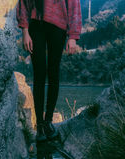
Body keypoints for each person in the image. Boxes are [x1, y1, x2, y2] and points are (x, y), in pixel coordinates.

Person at [16, 0, 82, 143]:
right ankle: (39, 125)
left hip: (58, 26)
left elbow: (74, 5)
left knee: (54, 74)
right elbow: (23, 3)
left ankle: (48, 122)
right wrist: (25, 31)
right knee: (39, 74)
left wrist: (73, 36)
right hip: (36, 25)